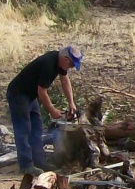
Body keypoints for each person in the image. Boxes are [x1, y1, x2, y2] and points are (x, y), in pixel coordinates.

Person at [6, 46, 83, 176]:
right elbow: (42, 92)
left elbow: (65, 80)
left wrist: (71, 103)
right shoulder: (48, 65)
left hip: (30, 95)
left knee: (37, 128)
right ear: (65, 59)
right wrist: (52, 111)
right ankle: (26, 165)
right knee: (23, 130)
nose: (71, 67)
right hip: (18, 94)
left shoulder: (59, 62)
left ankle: (39, 161)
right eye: (71, 64)